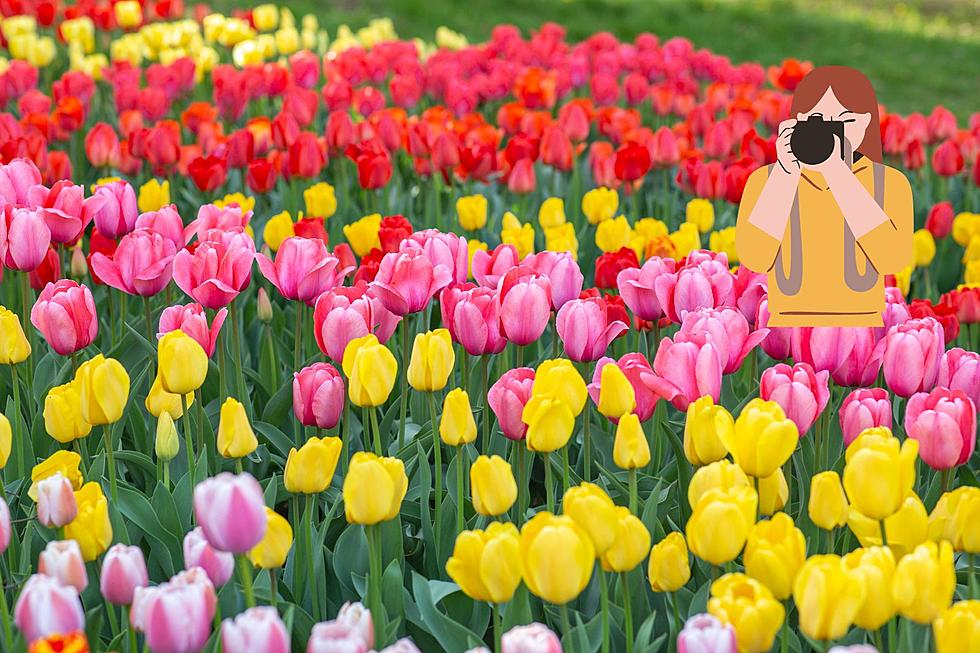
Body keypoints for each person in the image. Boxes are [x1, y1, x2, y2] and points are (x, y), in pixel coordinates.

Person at [736, 65, 913, 327]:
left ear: (865, 122)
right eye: (818, 122)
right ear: (795, 123)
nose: (831, 134)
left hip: (860, 323)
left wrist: (838, 172)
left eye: (843, 122)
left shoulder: (889, 183)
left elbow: (891, 258)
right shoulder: (768, 181)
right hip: (787, 324)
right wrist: (786, 175)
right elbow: (755, 257)